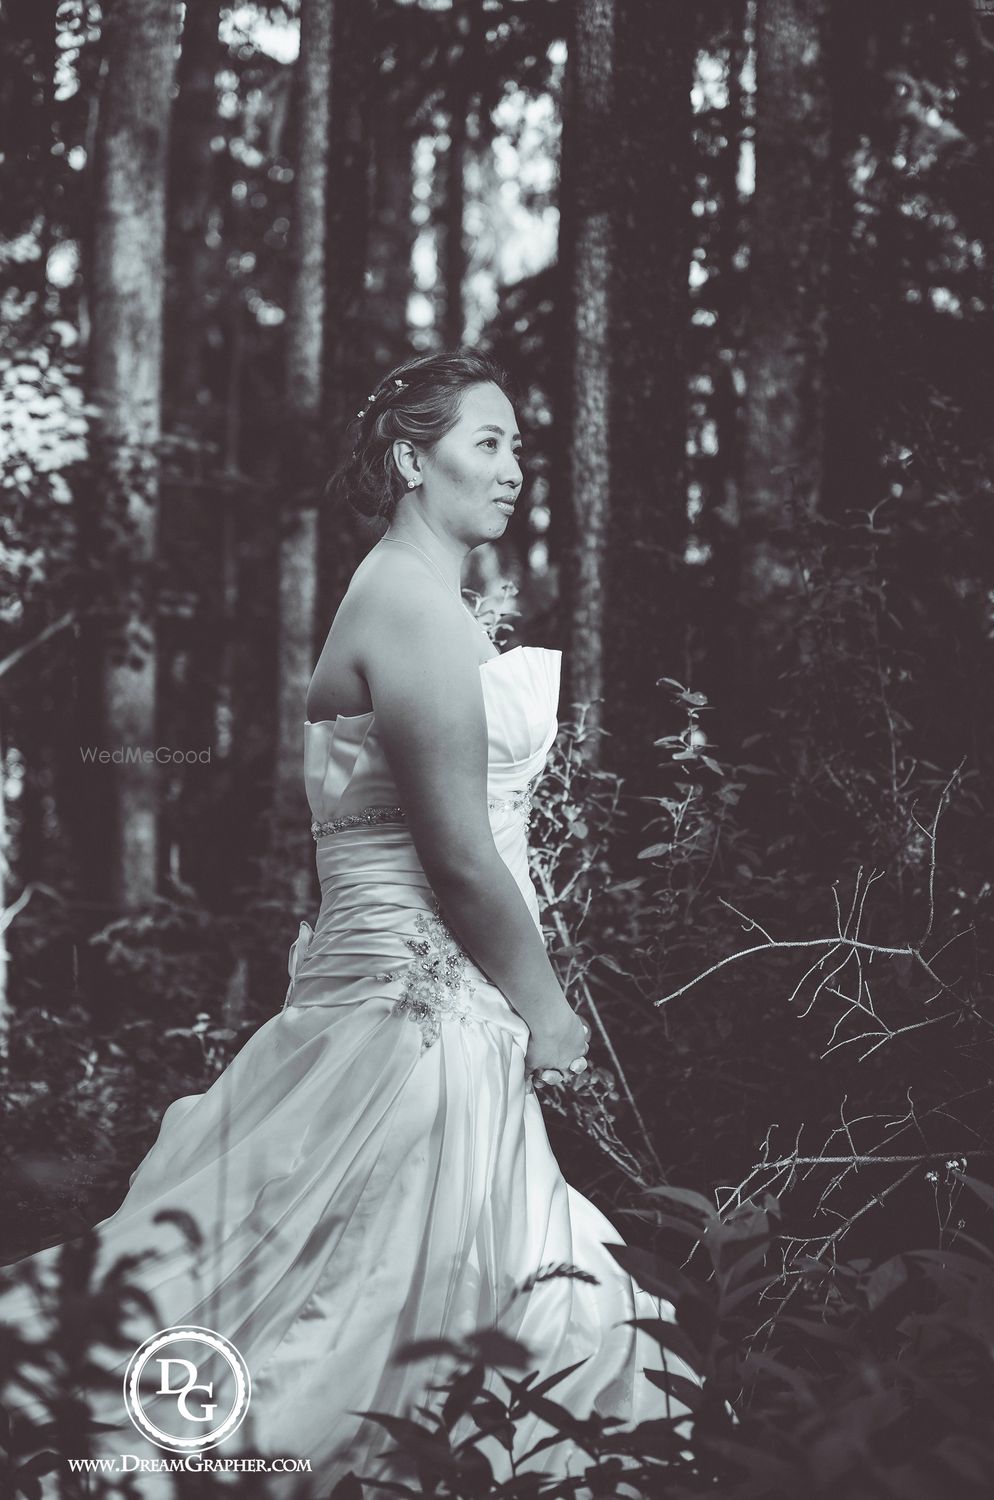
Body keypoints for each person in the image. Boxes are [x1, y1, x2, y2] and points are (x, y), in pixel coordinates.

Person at [1, 349, 698, 1496]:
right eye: (491, 441)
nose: (518, 468)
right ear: (411, 459)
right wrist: (550, 1011)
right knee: (354, 1293)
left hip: (412, 994)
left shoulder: (410, 597)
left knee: (362, 1264)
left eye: (521, 444)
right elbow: (460, 857)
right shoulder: (409, 607)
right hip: (419, 1012)